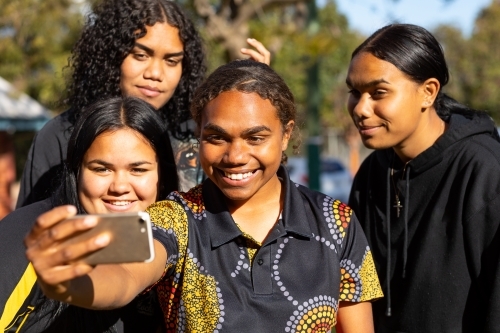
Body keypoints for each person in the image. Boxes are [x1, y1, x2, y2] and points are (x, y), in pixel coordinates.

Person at [25, 60, 383, 332]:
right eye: (217, 137)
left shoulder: (336, 221)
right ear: (199, 135)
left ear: (286, 135)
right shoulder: (172, 218)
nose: (235, 156)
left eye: (255, 138)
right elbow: (123, 277)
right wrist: (70, 284)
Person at [16, 0, 271, 207]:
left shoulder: (199, 133)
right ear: (109, 56)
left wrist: (256, 100)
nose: (155, 73)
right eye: (140, 55)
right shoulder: (61, 134)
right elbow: (29, 232)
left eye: (171, 61)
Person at [345, 23, 500, 332]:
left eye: (378, 92)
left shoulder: (485, 171)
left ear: (428, 92)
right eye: (354, 92)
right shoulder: (372, 173)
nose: (361, 108)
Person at [0, 96, 179, 332]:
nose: (119, 186)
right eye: (101, 169)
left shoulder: (179, 235)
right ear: (77, 170)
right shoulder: (29, 235)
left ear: (162, 177)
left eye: (138, 170)